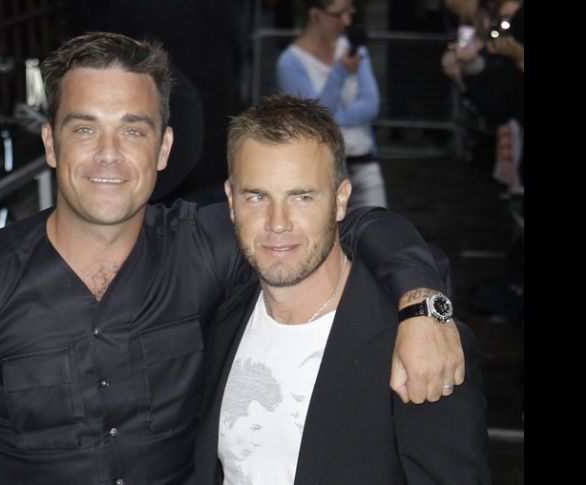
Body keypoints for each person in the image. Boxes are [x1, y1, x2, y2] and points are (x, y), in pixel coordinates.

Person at [0, 33, 464, 485]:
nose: (109, 155)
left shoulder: (202, 247)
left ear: (163, 148)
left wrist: (423, 304)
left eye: (133, 131)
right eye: (85, 129)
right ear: (51, 143)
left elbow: (350, 225)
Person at [194, 95, 491, 484]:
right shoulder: (219, 317)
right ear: (231, 202)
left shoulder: (420, 345)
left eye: (302, 197)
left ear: (340, 200)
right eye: (257, 196)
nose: (277, 223)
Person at [277, 0, 386, 209]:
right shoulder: (290, 63)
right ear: (314, 14)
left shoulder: (353, 47)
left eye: (349, 13)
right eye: (338, 14)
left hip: (365, 163)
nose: (346, 22)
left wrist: (333, 118)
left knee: (377, 226)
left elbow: (371, 105)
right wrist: (339, 73)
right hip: (321, 172)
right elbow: (314, 118)